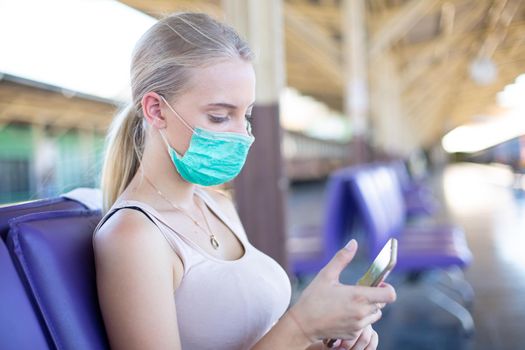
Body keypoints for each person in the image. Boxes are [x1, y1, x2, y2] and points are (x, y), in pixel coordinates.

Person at [92, 12, 396, 350]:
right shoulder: (133, 236)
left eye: (246, 115)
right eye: (220, 116)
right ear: (156, 110)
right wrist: (301, 325)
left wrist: (323, 340)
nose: (242, 135)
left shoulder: (217, 204)